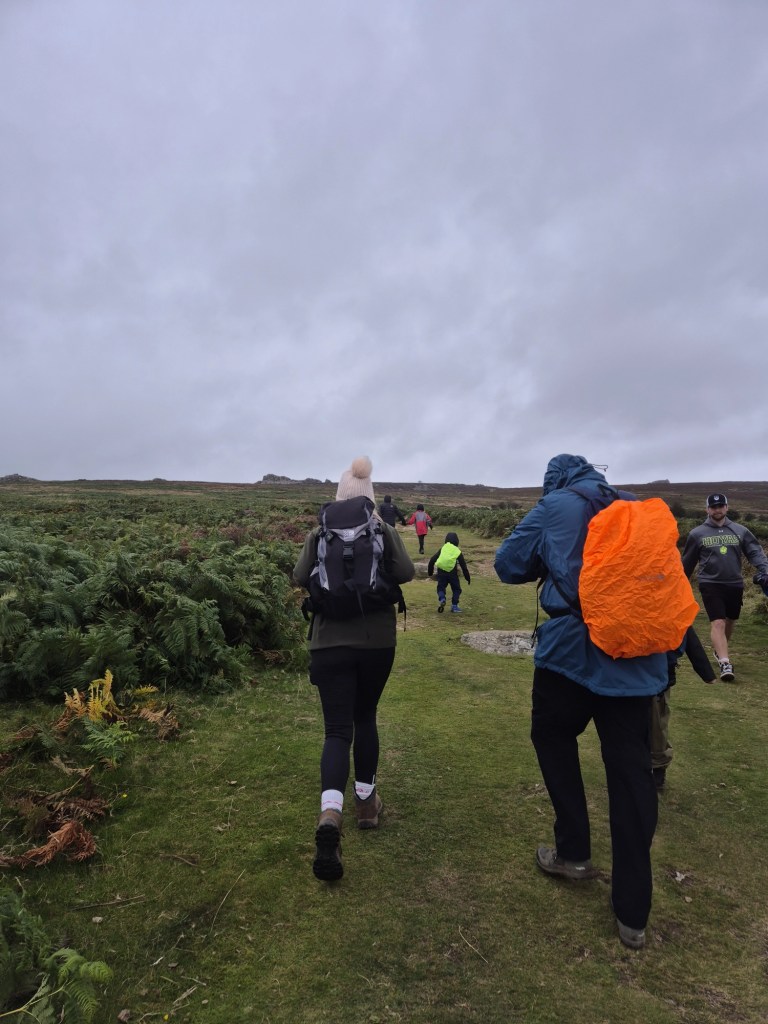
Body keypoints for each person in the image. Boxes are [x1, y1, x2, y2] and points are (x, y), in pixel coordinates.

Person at [494, 454, 668, 950]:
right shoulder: (636, 507)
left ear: (554, 481)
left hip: (571, 652)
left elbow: (508, 564)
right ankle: (633, 913)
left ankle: (573, 852)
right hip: (636, 658)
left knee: (551, 734)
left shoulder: (555, 505)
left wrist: (549, 561)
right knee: (631, 771)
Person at [293, 457, 414, 882]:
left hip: (328, 644)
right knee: (366, 717)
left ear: (339, 495)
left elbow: (297, 575)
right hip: (376, 642)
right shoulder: (384, 530)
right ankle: (366, 804)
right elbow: (407, 572)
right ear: (371, 497)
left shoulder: (318, 532)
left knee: (335, 730)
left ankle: (330, 814)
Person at [681, 493, 768, 682]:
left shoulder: (740, 531)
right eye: (713, 507)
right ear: (707, 509)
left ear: (727, 508)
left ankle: (719, 650)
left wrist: (765, 570)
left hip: (734, 583)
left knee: (730, 620)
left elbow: (755, 553)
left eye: (721, 506)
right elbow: (687, 563)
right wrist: (678, 584)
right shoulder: (697, 534)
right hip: (709, 583)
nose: (717, 510)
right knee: (718, 622)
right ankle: (725, 663)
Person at [652, 626, 715, 790]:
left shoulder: (671, 605)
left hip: (659, 677)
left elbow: (687, 630)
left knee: (657, 725)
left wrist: (705, 671)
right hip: (629, 674)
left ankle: (658, 766)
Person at [427, 532, 470, 613]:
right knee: (457, 589)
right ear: (457, 541)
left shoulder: (443, 548)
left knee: (441, 587)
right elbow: (463, 566)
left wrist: (430, 572)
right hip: (452, 573)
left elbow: (432, 560)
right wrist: (467, 578)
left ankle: (442, 598)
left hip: (441, 571)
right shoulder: (457, 551)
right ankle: (454, 606)